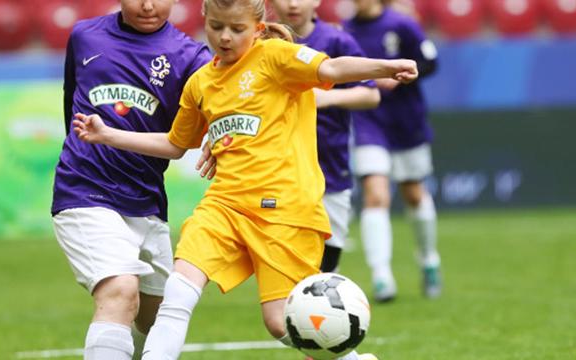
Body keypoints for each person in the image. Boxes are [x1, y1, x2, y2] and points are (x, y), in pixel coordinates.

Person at [70, 0, 418, 356]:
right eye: (217, 26)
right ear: (205, 21)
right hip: (224, 206)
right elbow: (175, 145)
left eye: (237, 29)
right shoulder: (200, 82)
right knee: (177, 289)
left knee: (281, 322)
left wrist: (386, 66)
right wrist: (107, 134)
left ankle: (350, 356)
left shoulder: (276, 57)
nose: (225, 37)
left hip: (284, 210)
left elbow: (330, 68)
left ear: (258, 28)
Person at [49, 0, 212, 358]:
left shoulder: (191, 57)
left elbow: (217, 113)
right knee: (120, 292)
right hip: (85, 189)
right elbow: (71, 106)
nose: (148, 5)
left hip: (146, 199)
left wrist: (217, 136)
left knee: (154, 319)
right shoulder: (85, 36)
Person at [269, 0, 381, 273]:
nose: (293, 4)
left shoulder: (336, 40)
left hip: (328, 162)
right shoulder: (261, 42)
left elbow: (371, 94)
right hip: (277, 167)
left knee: (327, 263)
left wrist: (328, 98)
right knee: (285, 262)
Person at [344, 0, 442, 302]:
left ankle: (429, 260)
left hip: (406, 122)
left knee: (414, 194)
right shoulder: (346, 32)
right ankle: (381, 277)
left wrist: (403, 75)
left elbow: (430, 61)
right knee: (375, 195)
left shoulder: (402, 24)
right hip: (368, 121)